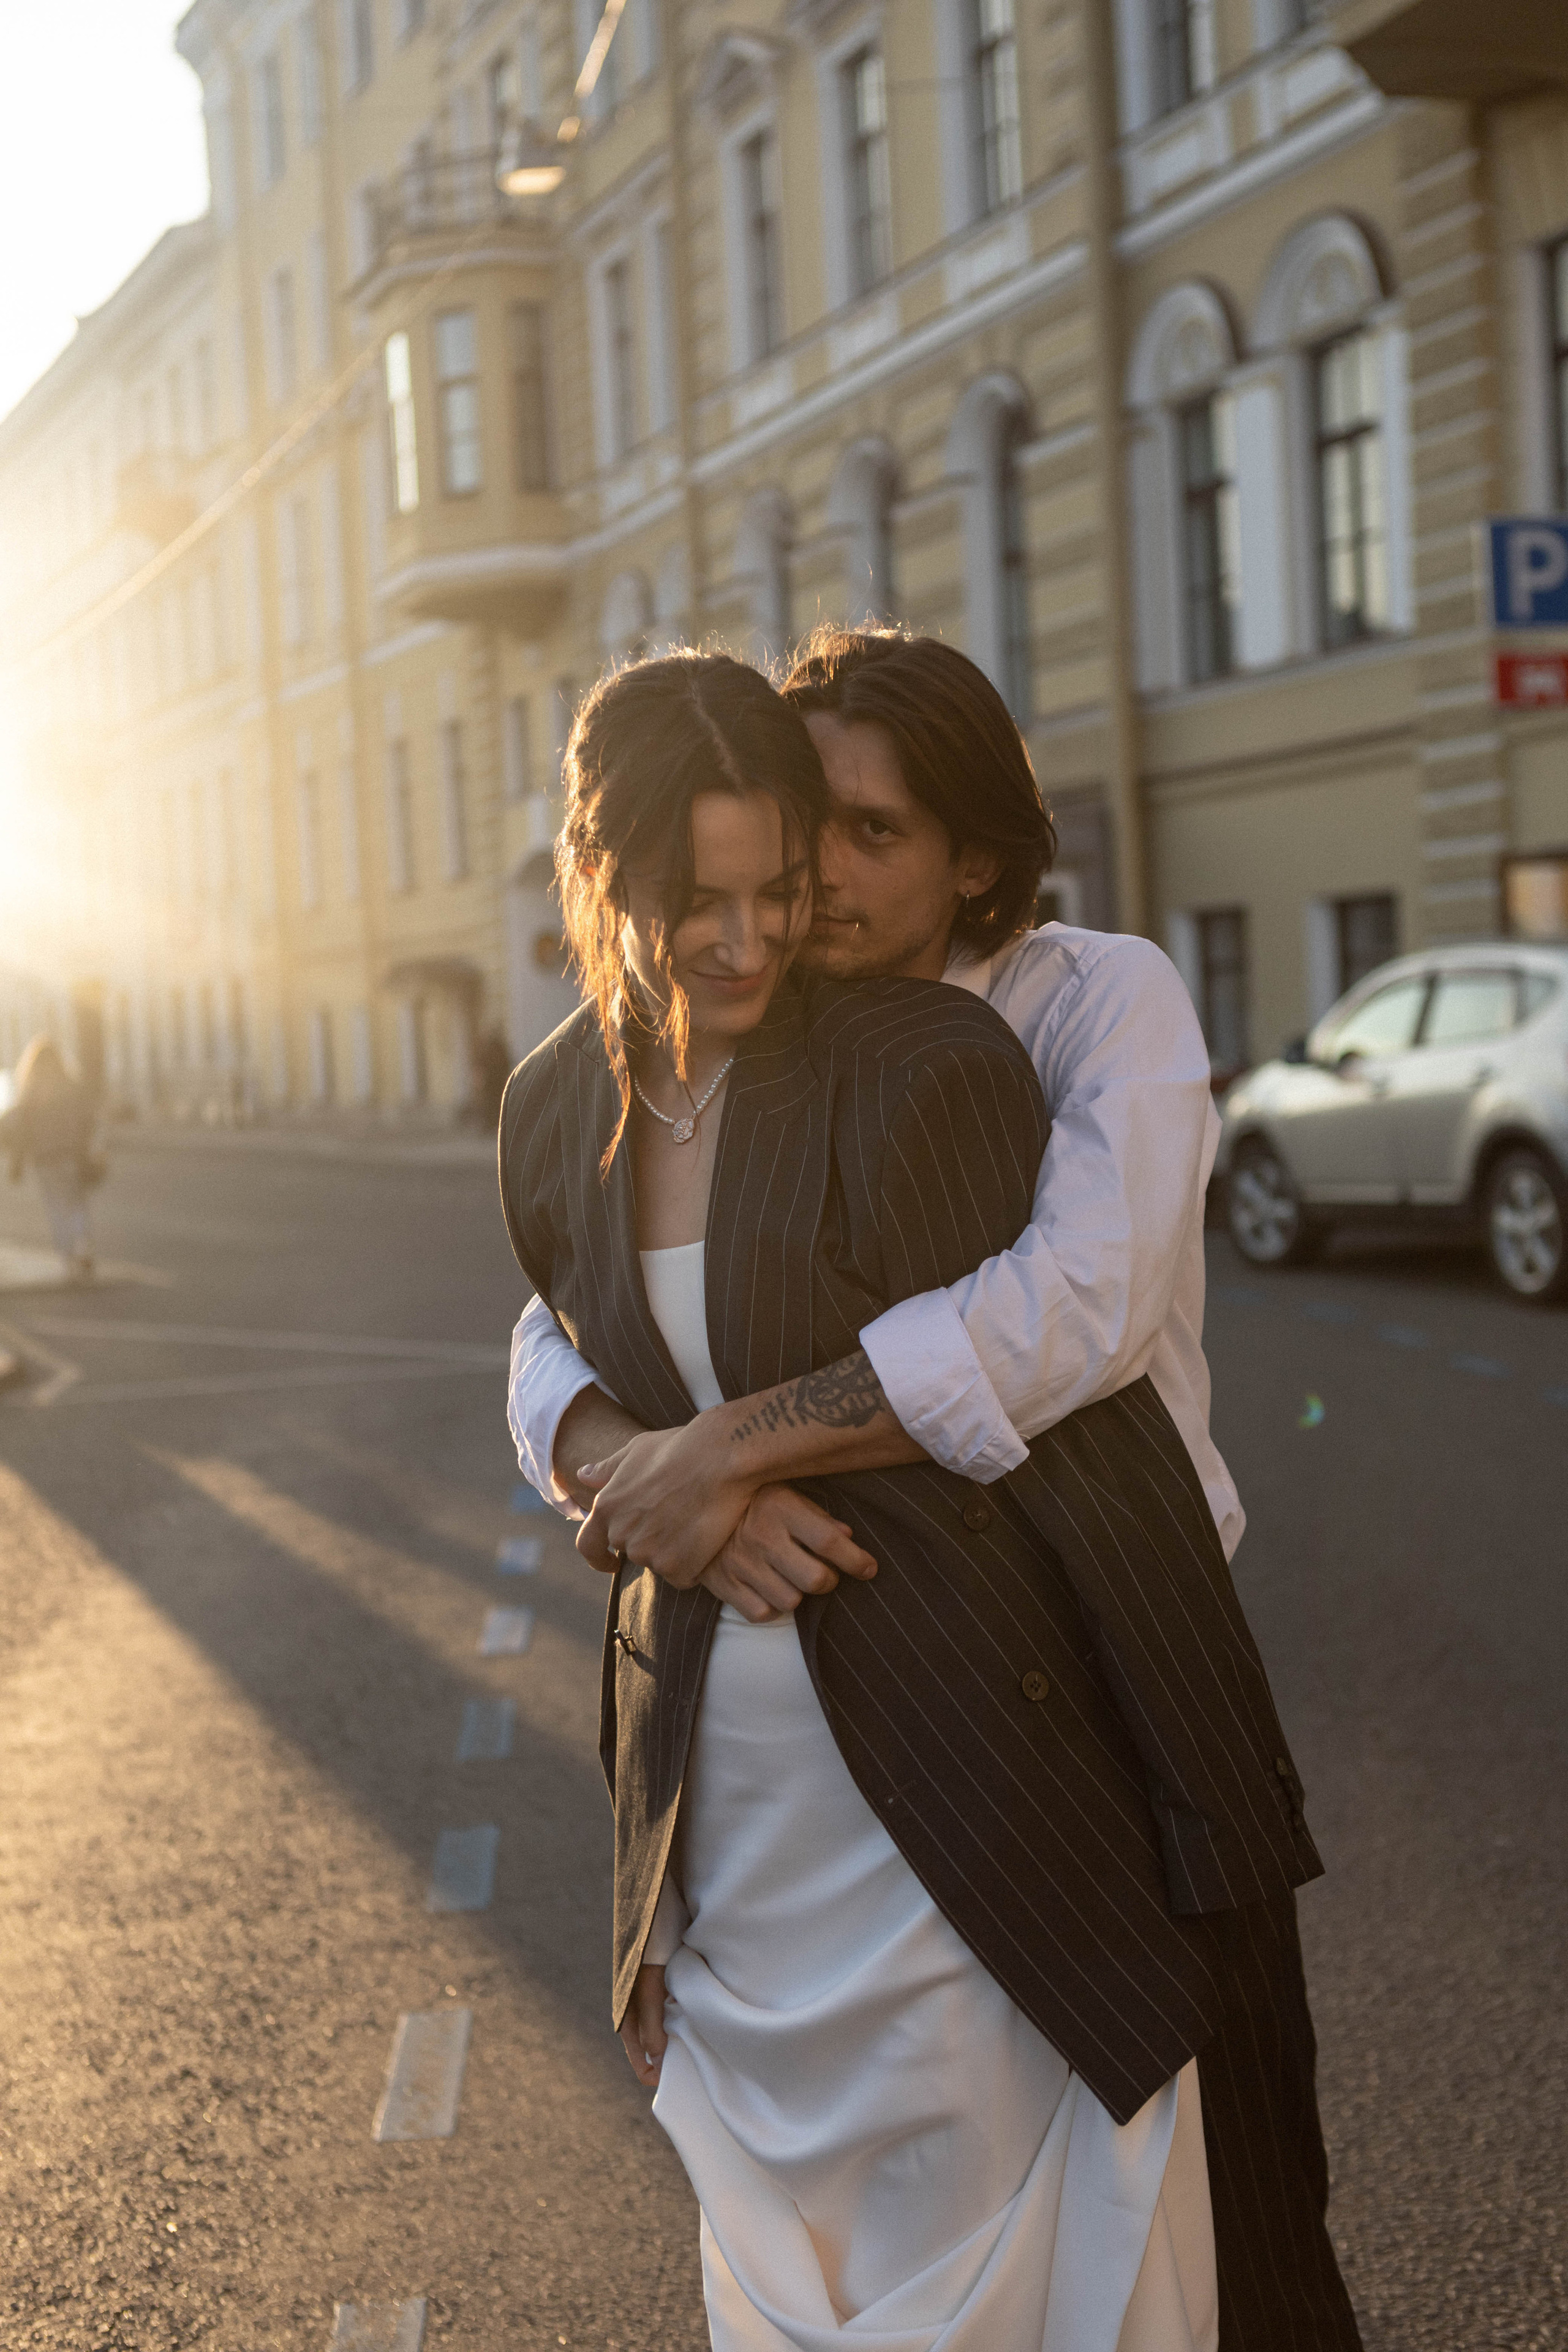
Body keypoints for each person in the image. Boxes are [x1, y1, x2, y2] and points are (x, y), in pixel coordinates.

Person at [509, 630, 1362, 2349]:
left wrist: (725, 1449)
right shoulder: (692, 1056)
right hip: (805, 1728)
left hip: (1114, 1628)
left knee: (1234, 2156)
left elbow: (1071, 1310)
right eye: (794, 825)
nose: (807, 882)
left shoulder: (1080, 1005)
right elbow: (558, 1320)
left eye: (866, 836)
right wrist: (655, 1477)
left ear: (976, 854)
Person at [1, 1035, 99, 1278]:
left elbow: (22, 1131)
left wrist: (17, 1163)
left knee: (56, 1208)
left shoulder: (30, 1091)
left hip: (44, 1159)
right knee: (76, 1204)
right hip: (70, 1156)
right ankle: (84, 1249)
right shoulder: (70, 1086)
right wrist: (86, 1150)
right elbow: (87, 1122)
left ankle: (68, 1259)